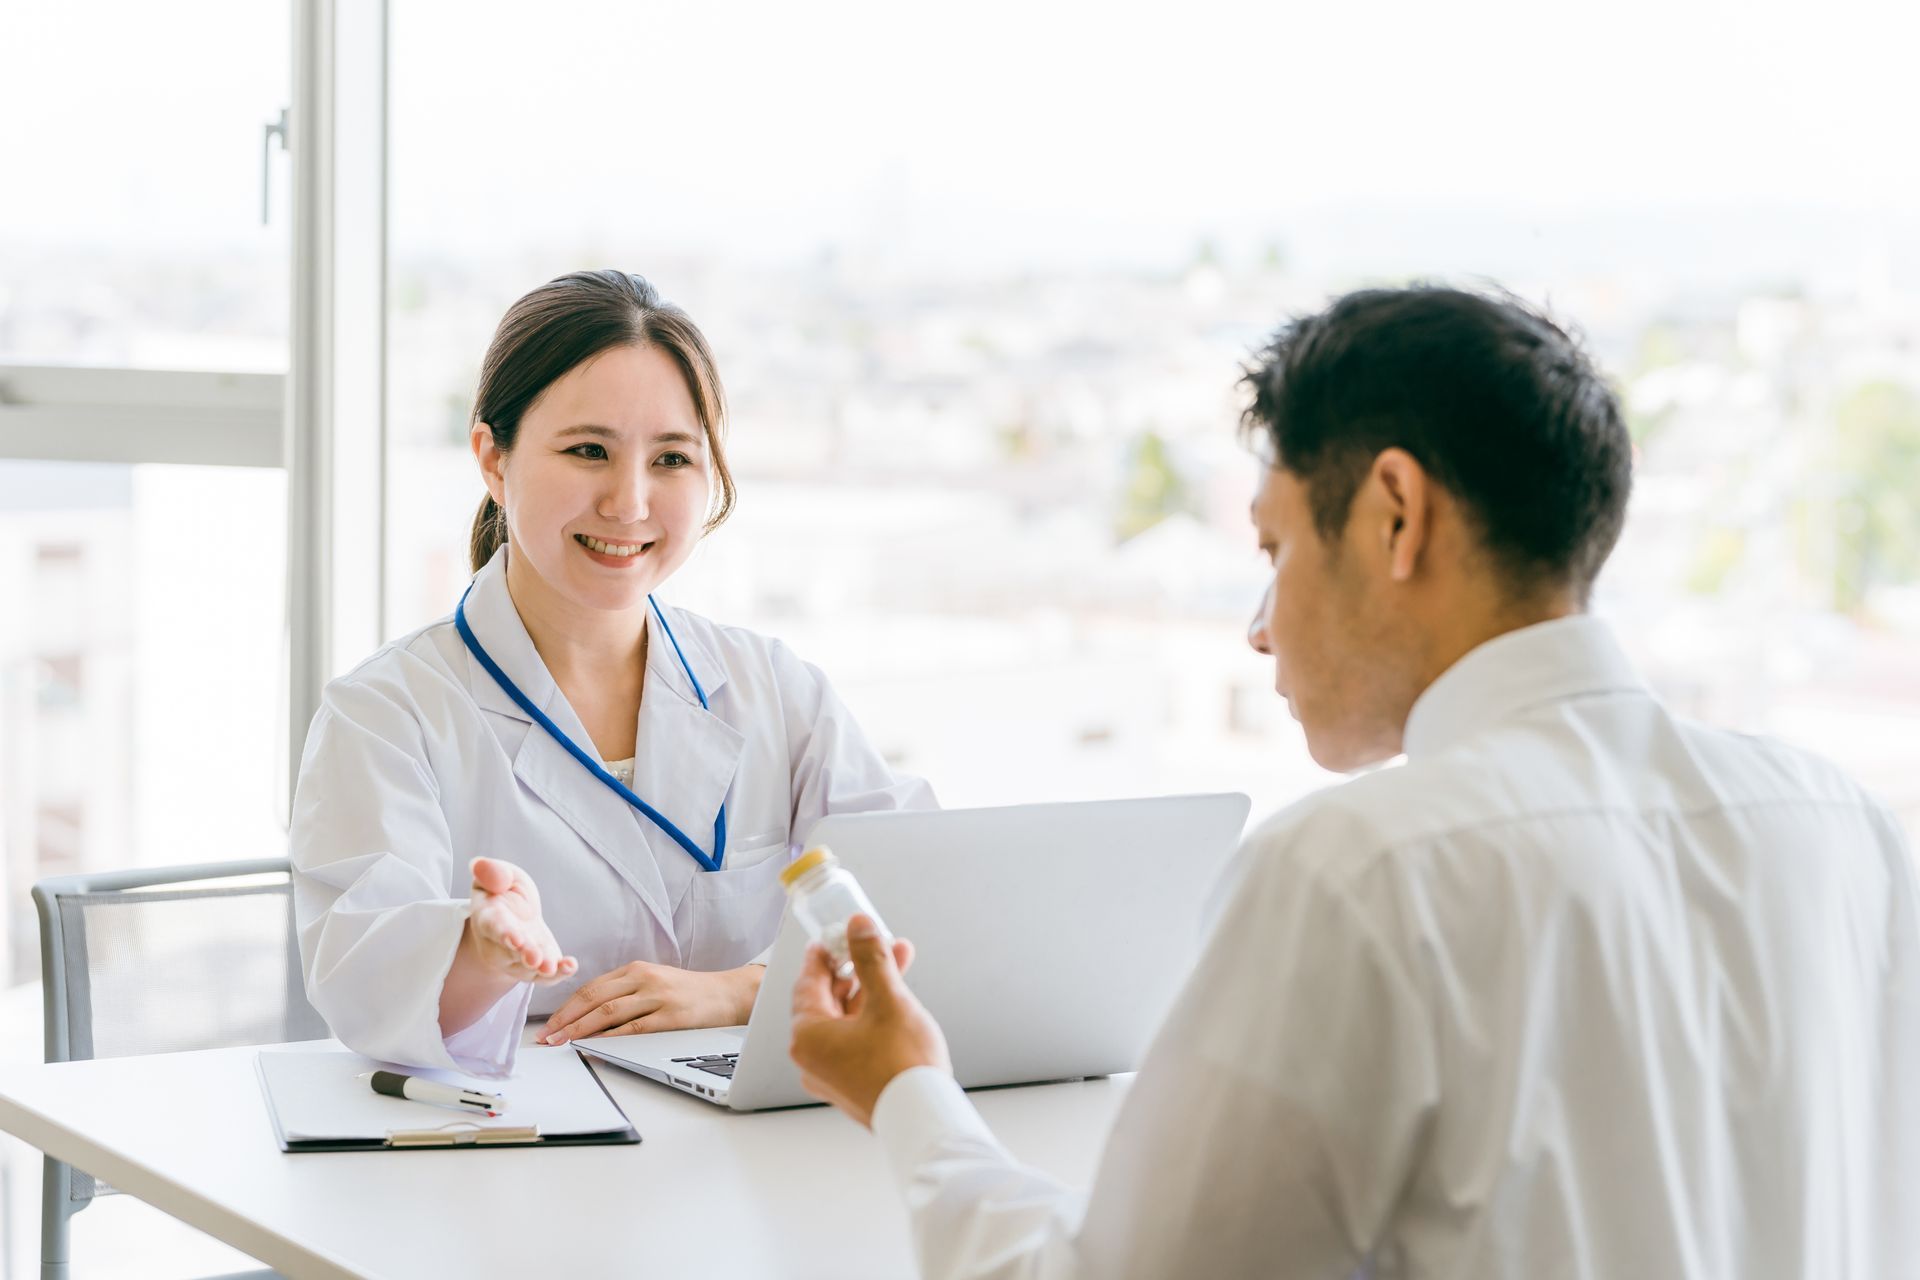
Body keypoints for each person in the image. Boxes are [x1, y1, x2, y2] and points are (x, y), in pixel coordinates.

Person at [789, 286, 1920, 1278]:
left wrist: (906, 1090)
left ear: (1395, 512)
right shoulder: (1846, 825)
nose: (1258, 628)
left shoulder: (1361, 869)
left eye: (1275, 550)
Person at [292, 269, 934, 1077]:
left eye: (671, 459)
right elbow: (363, 981)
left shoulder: (775, 689)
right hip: (512, 1152)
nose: (629, 503)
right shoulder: (387, 714)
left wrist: (745, 990)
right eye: (588, 451)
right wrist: (481, 951)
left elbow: (915, 896)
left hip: (753, 1150)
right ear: (493, 457)